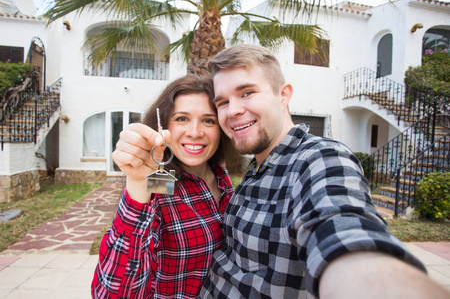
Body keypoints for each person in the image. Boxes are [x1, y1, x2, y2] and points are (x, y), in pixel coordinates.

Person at [199, 44, 450, 298]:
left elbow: (342, 231)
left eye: (247, 92)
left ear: (283, 95)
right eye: (223, 102)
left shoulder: (319, 158)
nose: (233, 111)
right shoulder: (257, 167)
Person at [91, 75, 234, 298]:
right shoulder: (161, 183)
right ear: (163, 125)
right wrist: (138, 184)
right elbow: (112, 293)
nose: (195, 132)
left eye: (208, 120)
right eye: (182, 119)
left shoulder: (221, 175)